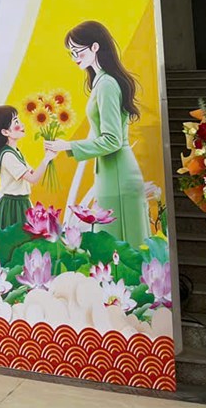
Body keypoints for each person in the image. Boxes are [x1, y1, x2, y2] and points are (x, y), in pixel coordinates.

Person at [45, 20, 150, 246]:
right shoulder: (101, 82)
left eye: (78, 51)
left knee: (122, 244)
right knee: (118, 243)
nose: (74, 57)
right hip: (111, 172)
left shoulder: (106, 85)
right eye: (71, 53)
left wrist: (68, 146)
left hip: (118, 174)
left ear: (95, 47)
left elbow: (112, 140)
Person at [0, 105, 53, 236]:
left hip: (22, 202)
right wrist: (47, 158)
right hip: (12, 207)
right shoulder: (8, 156)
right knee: (15, 240)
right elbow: (33, 179)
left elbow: (32, 174)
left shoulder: (16, 152)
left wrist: (46, 155)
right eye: (16, 122)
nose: (21, 125)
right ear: (5, 132)